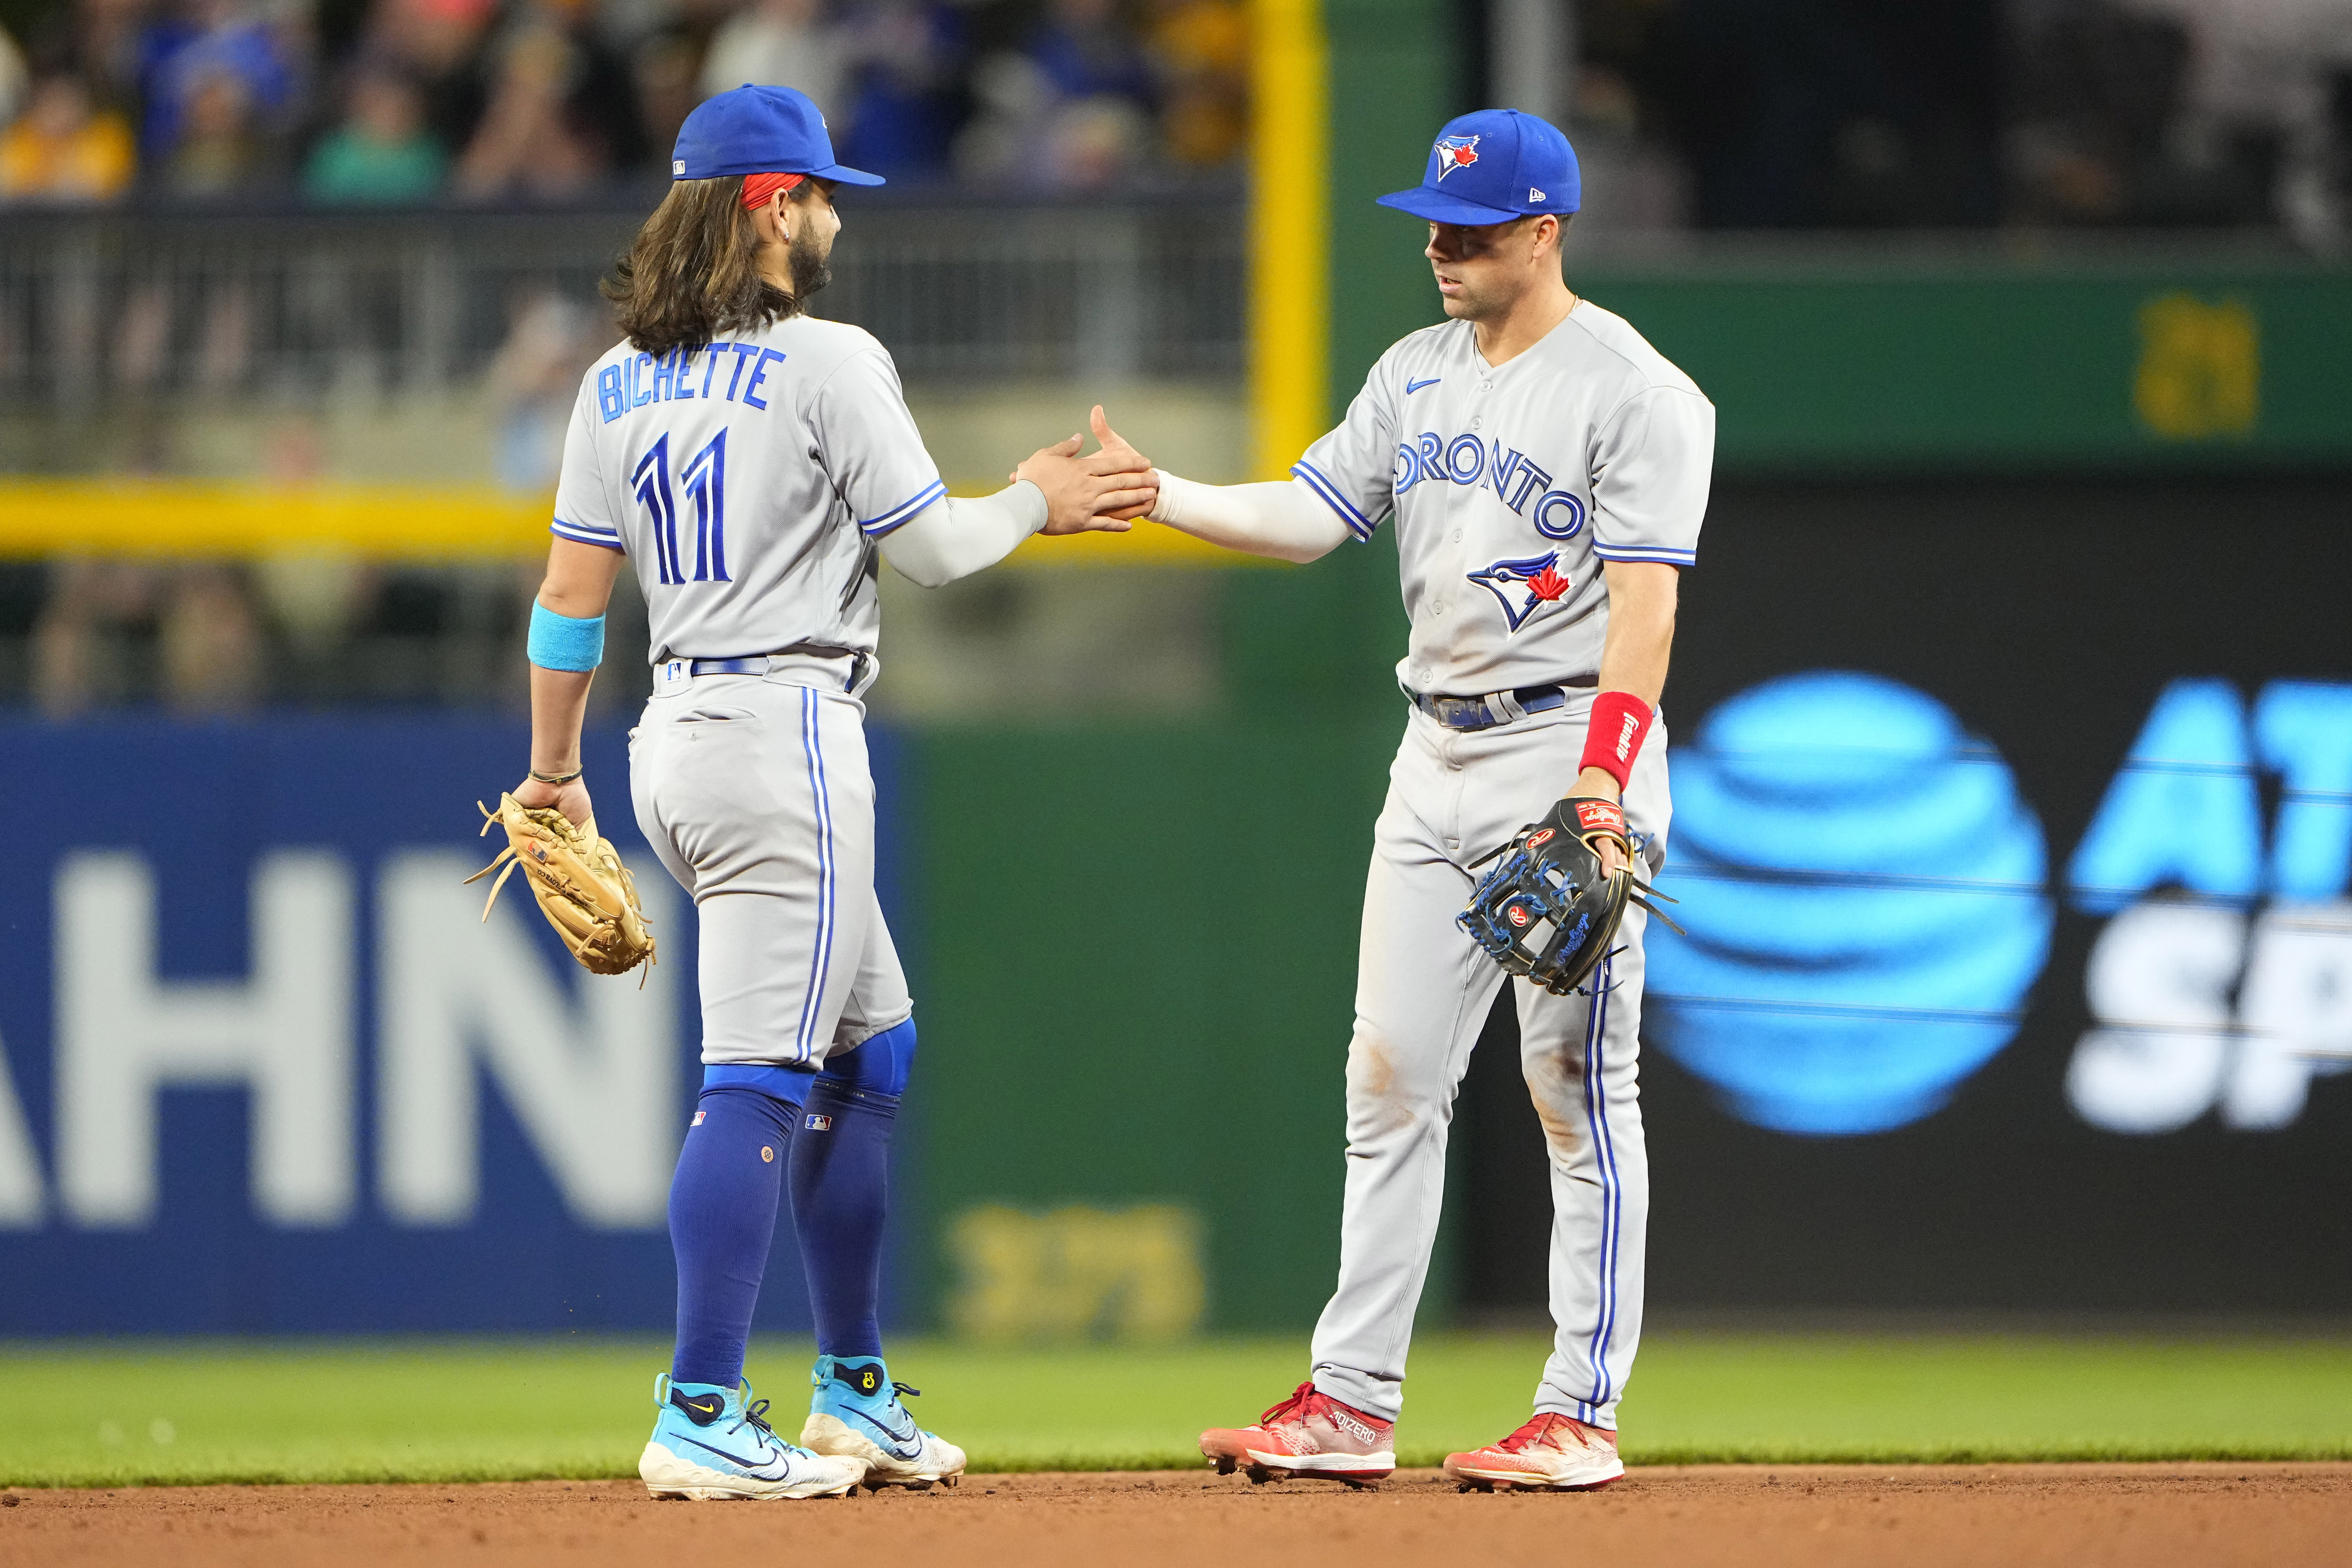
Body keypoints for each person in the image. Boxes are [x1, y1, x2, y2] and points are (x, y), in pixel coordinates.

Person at [511, 83, 1154, 1500]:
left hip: (671, 735)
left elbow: (568, 603)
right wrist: (1038, 494)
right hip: (785, 730)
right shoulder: (829, 360)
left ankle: (854, 1391)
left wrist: (555, 771)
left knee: (875, 1054)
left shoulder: (615, 378)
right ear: (765, 207)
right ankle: (696, 1407)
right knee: (755, 1079)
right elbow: (932, 553)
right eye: (815, 192)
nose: (834, 213)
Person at [1099, 109, 1714, 1491]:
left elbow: (1646, 613)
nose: (1439, 245)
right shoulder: (1415, 373)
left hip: (1566, 754)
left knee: (1574, 1091)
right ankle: (1349, 1403)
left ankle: (1580, 1411)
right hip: (1429, 751)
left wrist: (1603, 789)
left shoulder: (1636, 388)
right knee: (1386, 1082)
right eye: (1433, 222)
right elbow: (1315, 514)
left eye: (1472, 227)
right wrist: (1161, 494)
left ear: (1545, 230)